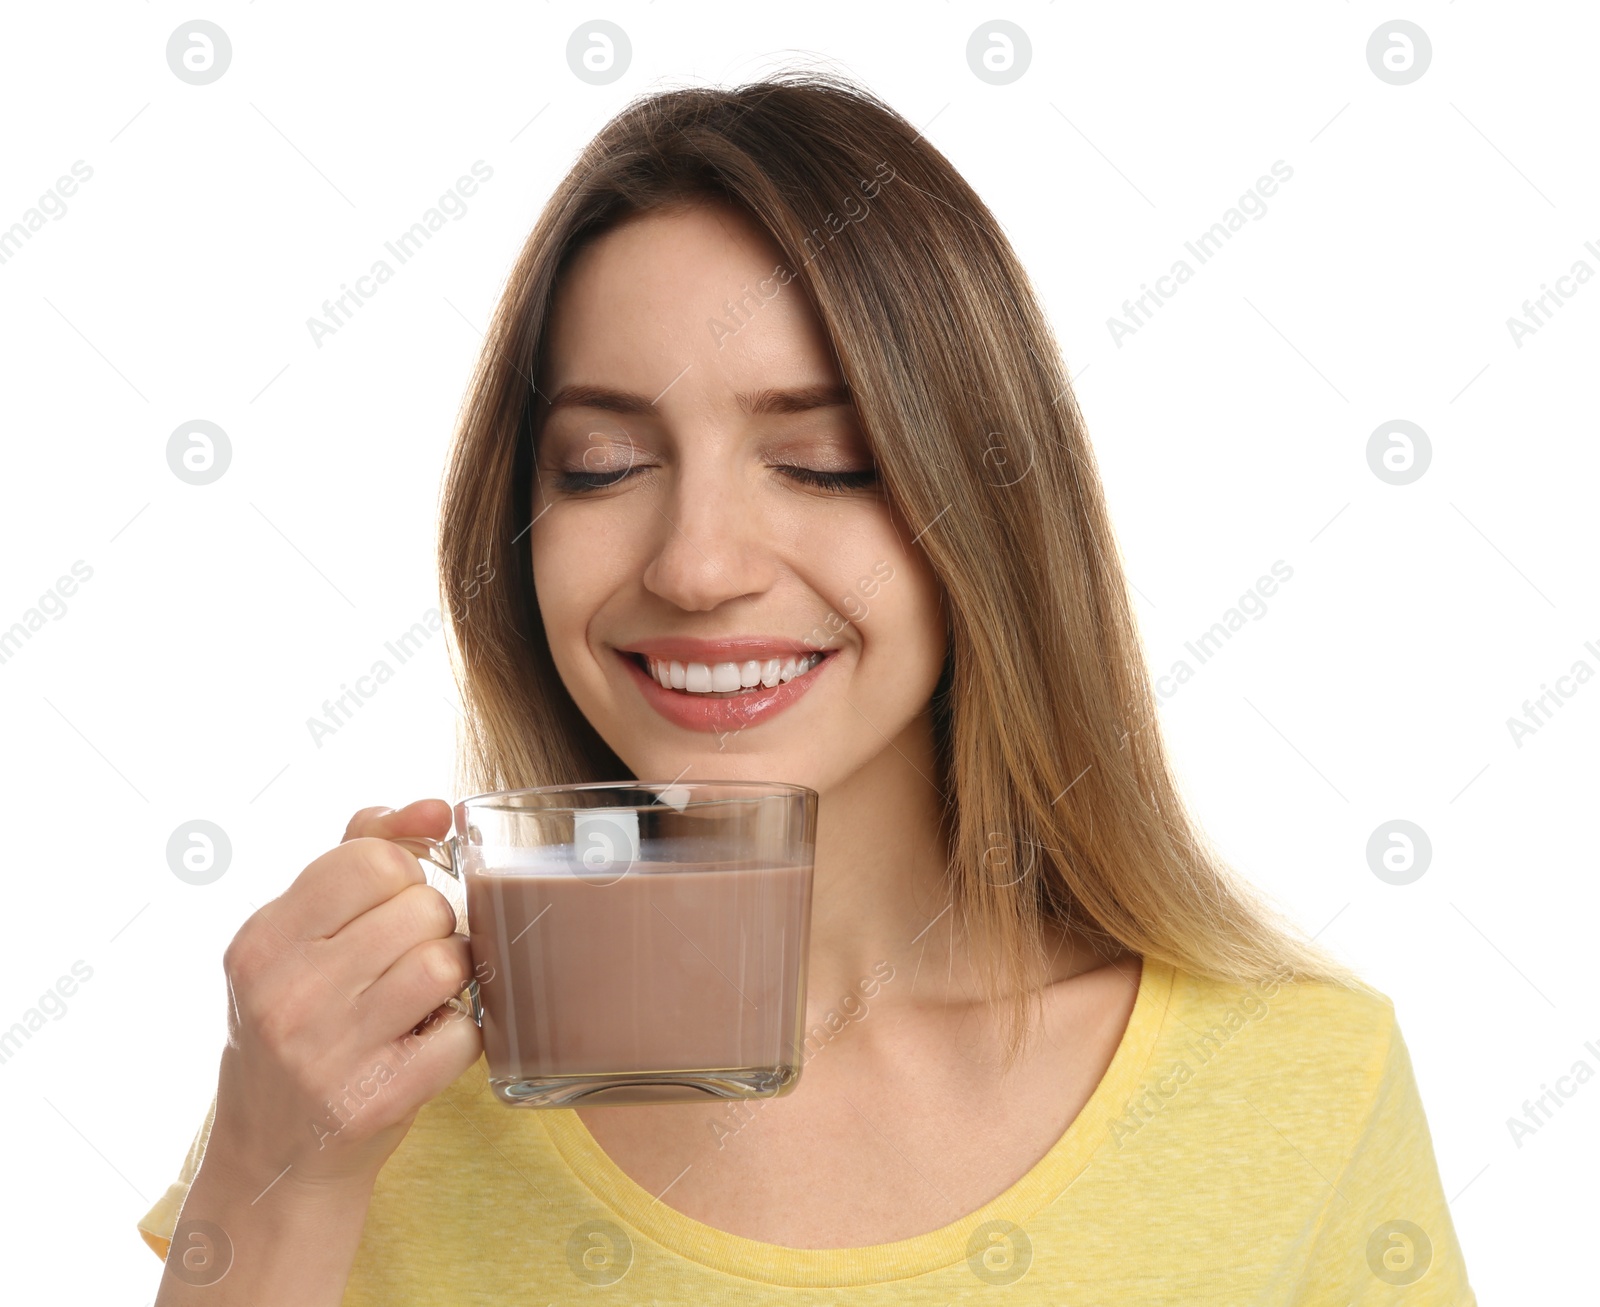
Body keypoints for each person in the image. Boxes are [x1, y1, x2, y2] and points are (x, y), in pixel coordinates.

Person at [139, 72, 1476, 1304]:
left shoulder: (1304, 1079)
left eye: (827, 461)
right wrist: (278, 1172)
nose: (700, 564)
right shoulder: (352, 1083)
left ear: (995, 517)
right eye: (601, 465)